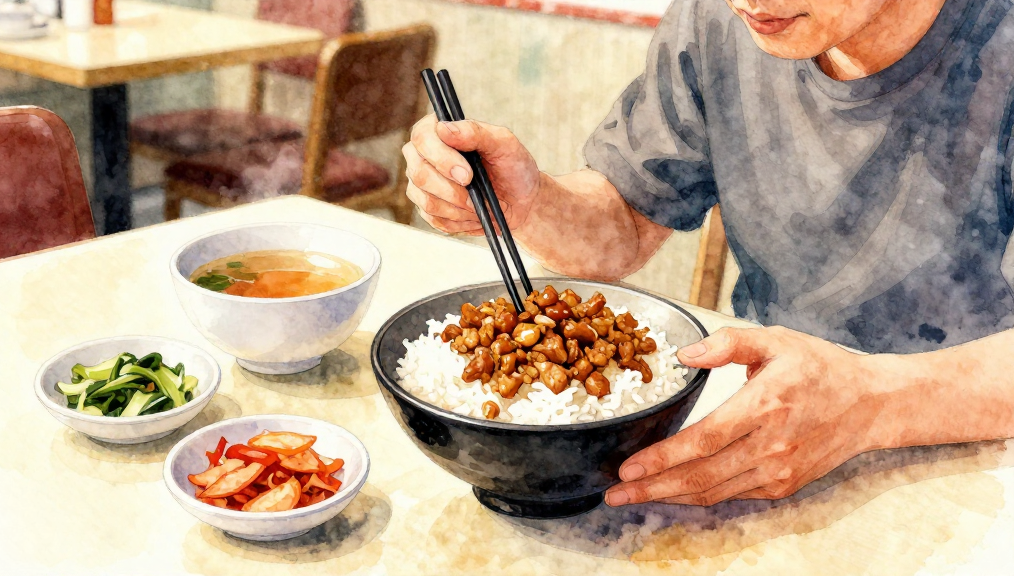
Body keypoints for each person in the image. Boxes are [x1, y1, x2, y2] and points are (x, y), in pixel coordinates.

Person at [402, 0, 1014, 507]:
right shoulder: (720, 22)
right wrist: (532, 205)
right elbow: (627, 221)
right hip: (765, 426)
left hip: (979, 448)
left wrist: (871, 402)